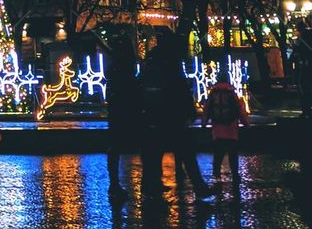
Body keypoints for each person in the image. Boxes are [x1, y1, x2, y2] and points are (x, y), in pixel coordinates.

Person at [139, 31, 213, 200]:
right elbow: (178, 86)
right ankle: (199, 187)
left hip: (155, 114)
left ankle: (150, 186)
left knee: (154, 153)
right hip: (172, 114)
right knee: (186, 151)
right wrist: (189, 109)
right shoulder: (171, 60)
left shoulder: (152, 59)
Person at [104, 34, 141, 201]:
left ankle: (114, 183)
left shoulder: (114, 67)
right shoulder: (126, 67)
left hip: (117, 111)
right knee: (142, 145)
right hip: (128, 110)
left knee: (115, 148)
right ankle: (149, 181)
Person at [203, 67, 249, 196]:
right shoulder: (232, 93)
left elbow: (207, 110)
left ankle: (216, 176)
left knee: (218, 154)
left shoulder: (213, 94)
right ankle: (235, 175)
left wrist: (204, 123)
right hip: (231, 129)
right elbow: (240, 110)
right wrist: (246, 123)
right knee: (233, 154)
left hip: (217, 129)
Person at [291, 22, 312, 118]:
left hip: (306, 66)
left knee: (304, 87)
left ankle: (306, 109)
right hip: (306, 65)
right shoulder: (306, 36)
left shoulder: (303, 38)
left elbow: (298, 50)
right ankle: (307, 109)